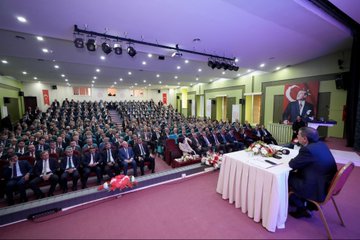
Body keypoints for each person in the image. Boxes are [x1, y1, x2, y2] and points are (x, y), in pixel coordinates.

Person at [288, 127, 337, 218]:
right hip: (326, 184)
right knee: (297, 173)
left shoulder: (307, 150)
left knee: (286, 176)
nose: (297, 136)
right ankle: (301, 202)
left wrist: (293, 160)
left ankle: (301, 207)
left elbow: (292, 164)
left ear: (305, 138)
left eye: (298, 134)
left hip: (315, 188)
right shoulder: (322, 145)